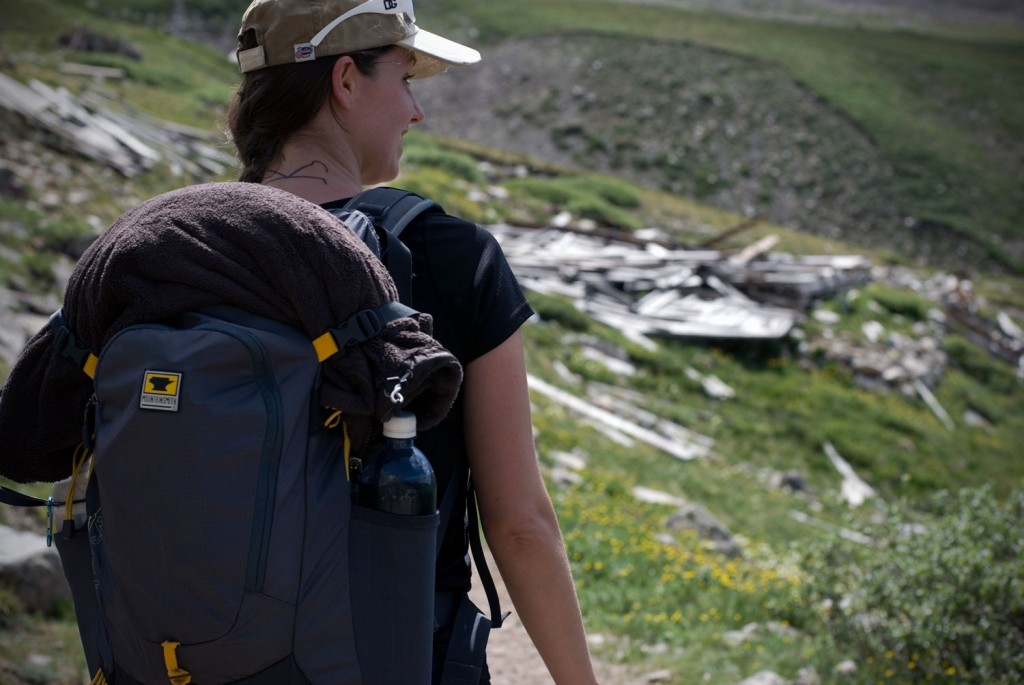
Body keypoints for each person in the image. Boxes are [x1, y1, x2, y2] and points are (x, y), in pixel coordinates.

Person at [227, 1, 600, 683]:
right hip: (391, 659)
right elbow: (518, 525)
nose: (415, 111)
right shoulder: (445, 255)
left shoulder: (183, 248)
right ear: (344, 81)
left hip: (196, 656)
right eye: (406, 79)